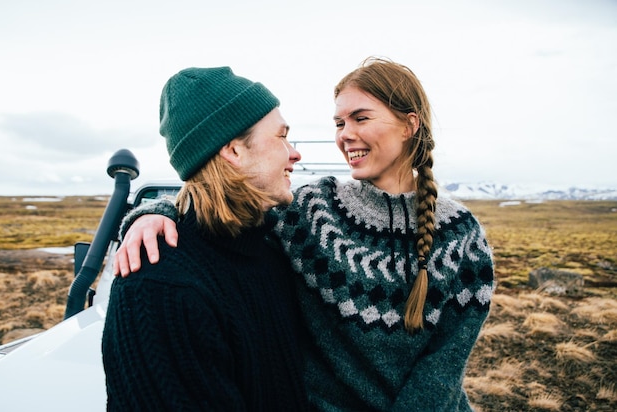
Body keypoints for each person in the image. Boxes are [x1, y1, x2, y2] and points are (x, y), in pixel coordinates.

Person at [115, 57, 495, 411]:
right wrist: (153, 213)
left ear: (410, 125)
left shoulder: (461, 236)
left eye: (361, 118)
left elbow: (443, 370)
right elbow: (225, 216)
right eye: (339, 123)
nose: (346, 135)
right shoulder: (314, 209)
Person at [101, 66, 309, 411]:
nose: (294, 153)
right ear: (233, 151)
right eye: (281, 136)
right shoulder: (159, 287)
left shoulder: (276, 247)